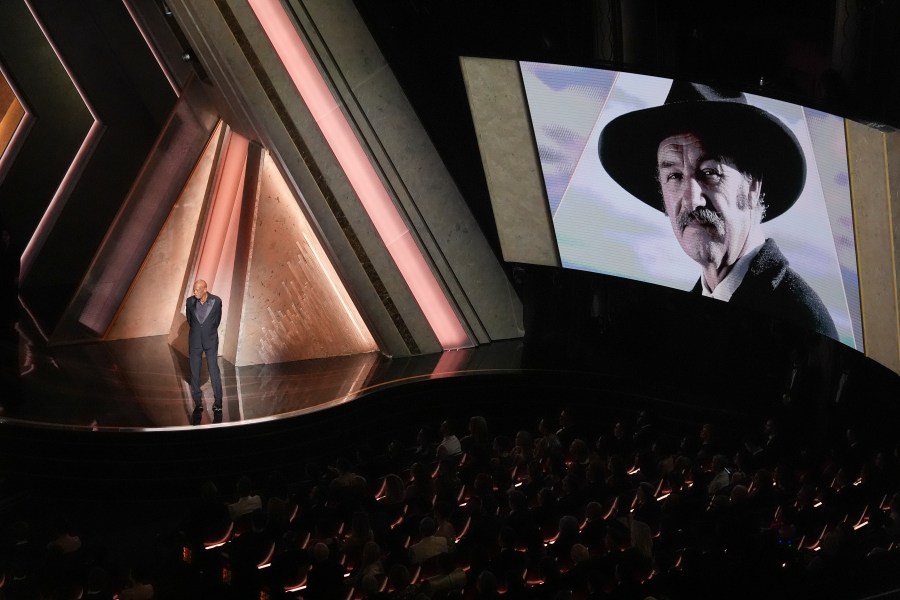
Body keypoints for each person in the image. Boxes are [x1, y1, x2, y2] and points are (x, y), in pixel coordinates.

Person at [599, 81, 837, 339]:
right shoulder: (683, 317)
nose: (691, 201)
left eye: (710, 172)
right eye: (675, 176)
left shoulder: (801, 322)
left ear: (753, 184)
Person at [186, 279, 223, 412]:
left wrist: (208, 331)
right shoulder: (190, 301)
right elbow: (190, 320)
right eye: (194, 289)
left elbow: (217, 320)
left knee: (214, 371)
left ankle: (218, 402)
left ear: (205, 289)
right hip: (195, 341)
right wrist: (199, 332)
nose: (195, 292)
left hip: (211, 341)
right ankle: (198, 402)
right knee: (195, 373)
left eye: (197, 289)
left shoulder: (216, 301)